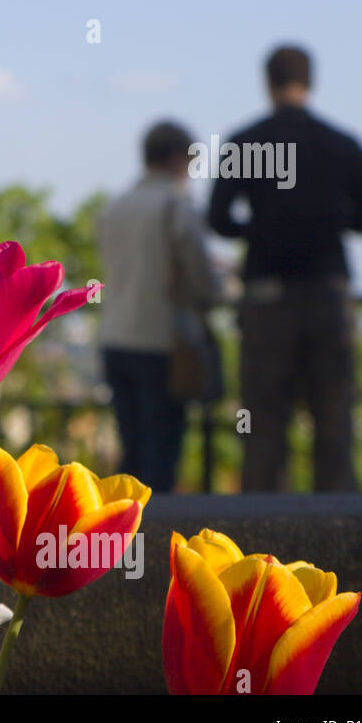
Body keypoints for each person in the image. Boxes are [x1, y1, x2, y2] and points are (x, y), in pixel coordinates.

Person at [209, 45, 362, 493]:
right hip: (328, 294)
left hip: (266, 298)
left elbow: (217, 219)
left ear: (267, 82)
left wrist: (258, 229)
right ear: (311, 82)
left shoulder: (245, 142)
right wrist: (330, 220)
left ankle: (260, 526)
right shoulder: (342, 143)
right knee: (334, 420)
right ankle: (339, 525)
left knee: (263, 424)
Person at [99, 121, 220, 493]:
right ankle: (155, 524)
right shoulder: (176, 205)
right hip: (160, 340)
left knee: (132, 447)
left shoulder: (115, 207)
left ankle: (124, 522)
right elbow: (201, 278)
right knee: (161, 452)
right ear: (177, 157)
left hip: (114, 336)